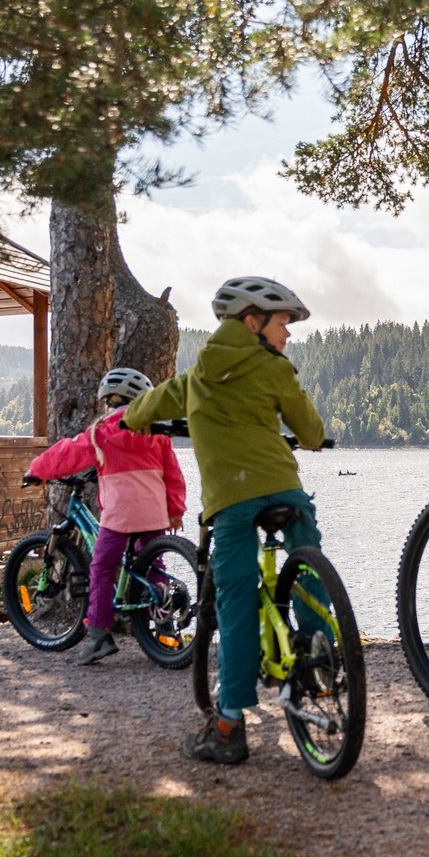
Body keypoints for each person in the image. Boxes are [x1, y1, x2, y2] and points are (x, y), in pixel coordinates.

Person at [121, 276, 328, 765]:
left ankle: (229, 724)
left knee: (236, 601)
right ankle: (319, 652)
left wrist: (131, 418)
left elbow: (141, 410)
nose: (289, 334)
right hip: (286, 491)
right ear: (252, 323)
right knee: (310, 567)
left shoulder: (194, 381)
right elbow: (312, 432)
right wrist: (312, 437)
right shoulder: (276, 370)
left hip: (231, 505)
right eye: (283, 323)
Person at [22, 367, 186, 665]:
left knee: (102, 568)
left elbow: (66, 454)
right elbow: (173, 474)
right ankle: (164, 624)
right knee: (154, 566)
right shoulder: (155, 432)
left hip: (120, 515)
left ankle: (98, 635)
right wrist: (175, 509)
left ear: (108, 402)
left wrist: (36, 470)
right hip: (153, 513)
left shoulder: (101, 432)